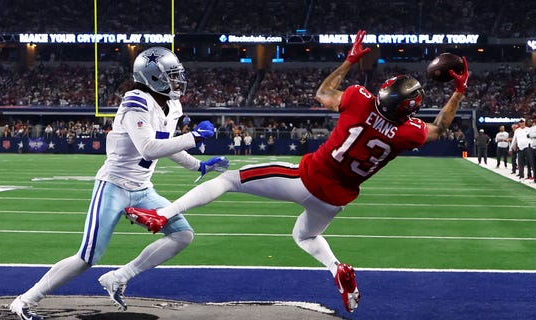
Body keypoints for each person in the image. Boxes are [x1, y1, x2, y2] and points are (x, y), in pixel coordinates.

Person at [123, 30, 469, 313]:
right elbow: (439, 128)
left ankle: (161, 214)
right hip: (336, 199)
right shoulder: (410, 132)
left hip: (307, 178)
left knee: (228, 179)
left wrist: (350, 59)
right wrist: (458, 91)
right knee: (304, 236)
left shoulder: (361, 100)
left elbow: (323, 93)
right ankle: (338, 270)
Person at [9, 46, 229, 320]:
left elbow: (167, 145)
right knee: (87, 257)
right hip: (113, 186)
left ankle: (119, 277)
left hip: (143, 189)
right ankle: (24, 301)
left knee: (182, 235)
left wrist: (199, 165)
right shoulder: (135, 101)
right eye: (172, 75)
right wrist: (194, 137)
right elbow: (149, 148)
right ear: (153, 77)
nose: (177, 81)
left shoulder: (172, 105)